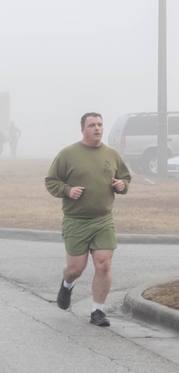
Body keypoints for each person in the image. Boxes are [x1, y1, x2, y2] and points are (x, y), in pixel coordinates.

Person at [46, 112, 131, 328]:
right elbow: (51, 181)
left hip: (103, 219)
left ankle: (97, 311)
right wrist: (67, 190)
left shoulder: (111, 154)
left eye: (100, 124)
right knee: (76, 268)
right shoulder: (68, 154)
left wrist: (122, 186)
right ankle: (67, 284)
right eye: (92, 125)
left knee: (103, 264)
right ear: (83, 129)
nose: (97, 128)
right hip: (76, 220)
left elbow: (125, 178)